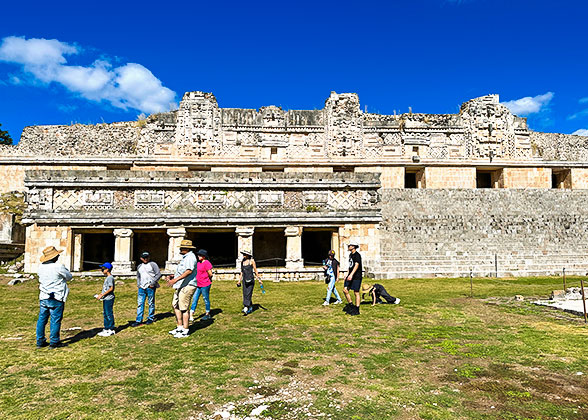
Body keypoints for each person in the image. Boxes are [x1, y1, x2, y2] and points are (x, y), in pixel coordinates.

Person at [36, 246, 73, 349]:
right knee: (55, 320)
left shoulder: (40, 267)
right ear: (54, 257)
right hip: (56, 296)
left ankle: (40, 341)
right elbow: (69, 277)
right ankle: (54, 342)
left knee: (42, 319)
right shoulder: (58, 267)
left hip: (44, 296)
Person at [166, 239, 198, 338]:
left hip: (188, 285)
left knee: (184, 308)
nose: (180, 249)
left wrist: (175, 280)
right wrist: (174, 276)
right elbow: (183, 271)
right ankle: (179, 327)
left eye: (182, 248)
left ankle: (185, 329)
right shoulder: (185, 257)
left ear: (186, 249)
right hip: (181, 284)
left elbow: (189, 271)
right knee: (175, 305)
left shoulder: (190, 257)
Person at [132, 252, 161, 327]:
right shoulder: (139, 266)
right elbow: (138, 276)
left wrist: (152, 283)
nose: (145, 259)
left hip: (150, 287)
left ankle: (150, 318)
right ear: (141, 258)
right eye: (144, 258)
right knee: (140, 303)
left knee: (150, 302)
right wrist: (139, 284)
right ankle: (139, 320)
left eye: (147, 257)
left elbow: (158, 274)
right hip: (142, 287)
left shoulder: (153, 264)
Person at [190, 249, 213, 321]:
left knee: (205, 299)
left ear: (204, 256)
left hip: (205, 284)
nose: (198, 256)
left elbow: (210, 274)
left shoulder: (207, 263)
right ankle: (191, 314)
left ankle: (207, 314)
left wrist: (207, 279)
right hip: (198, 284)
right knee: (195, 299)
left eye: (200, 255)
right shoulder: (198, 263)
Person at [236, 250, 262, 315]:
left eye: (244, 254)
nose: (243, 255)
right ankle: (250, 306)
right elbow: (242, 272)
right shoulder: (242, 261)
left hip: (250, 280)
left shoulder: (252, 261)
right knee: (245, 293)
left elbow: (256, 271)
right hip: (244, 280)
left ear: (248, 255)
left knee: (248, 293)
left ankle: (246, 307)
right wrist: (239, 280)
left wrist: (259, 280)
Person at [95, 262, 116, 337]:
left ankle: (111, 328)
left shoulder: (110, 278)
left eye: (103, 269)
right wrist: (101, 294)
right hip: (105, 298)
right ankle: (106, 328)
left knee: (108, 313)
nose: (101, 270)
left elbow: (111, 288)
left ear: (107, 269)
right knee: (105, 313)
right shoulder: (107, 278)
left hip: (109, 298)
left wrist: (102, 295)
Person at [343, 240, 363, 316]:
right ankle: (351, 305)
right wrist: (347, 274)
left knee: (356, 292)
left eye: (349, 245)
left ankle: (357, 309)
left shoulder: (357, 255)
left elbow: (356, 265)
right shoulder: (350, 255)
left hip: (356, 276)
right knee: (345, 290)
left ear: (353, 246)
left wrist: (351, 275)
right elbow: (350, 266)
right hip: (350, 275)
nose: (348, 247)